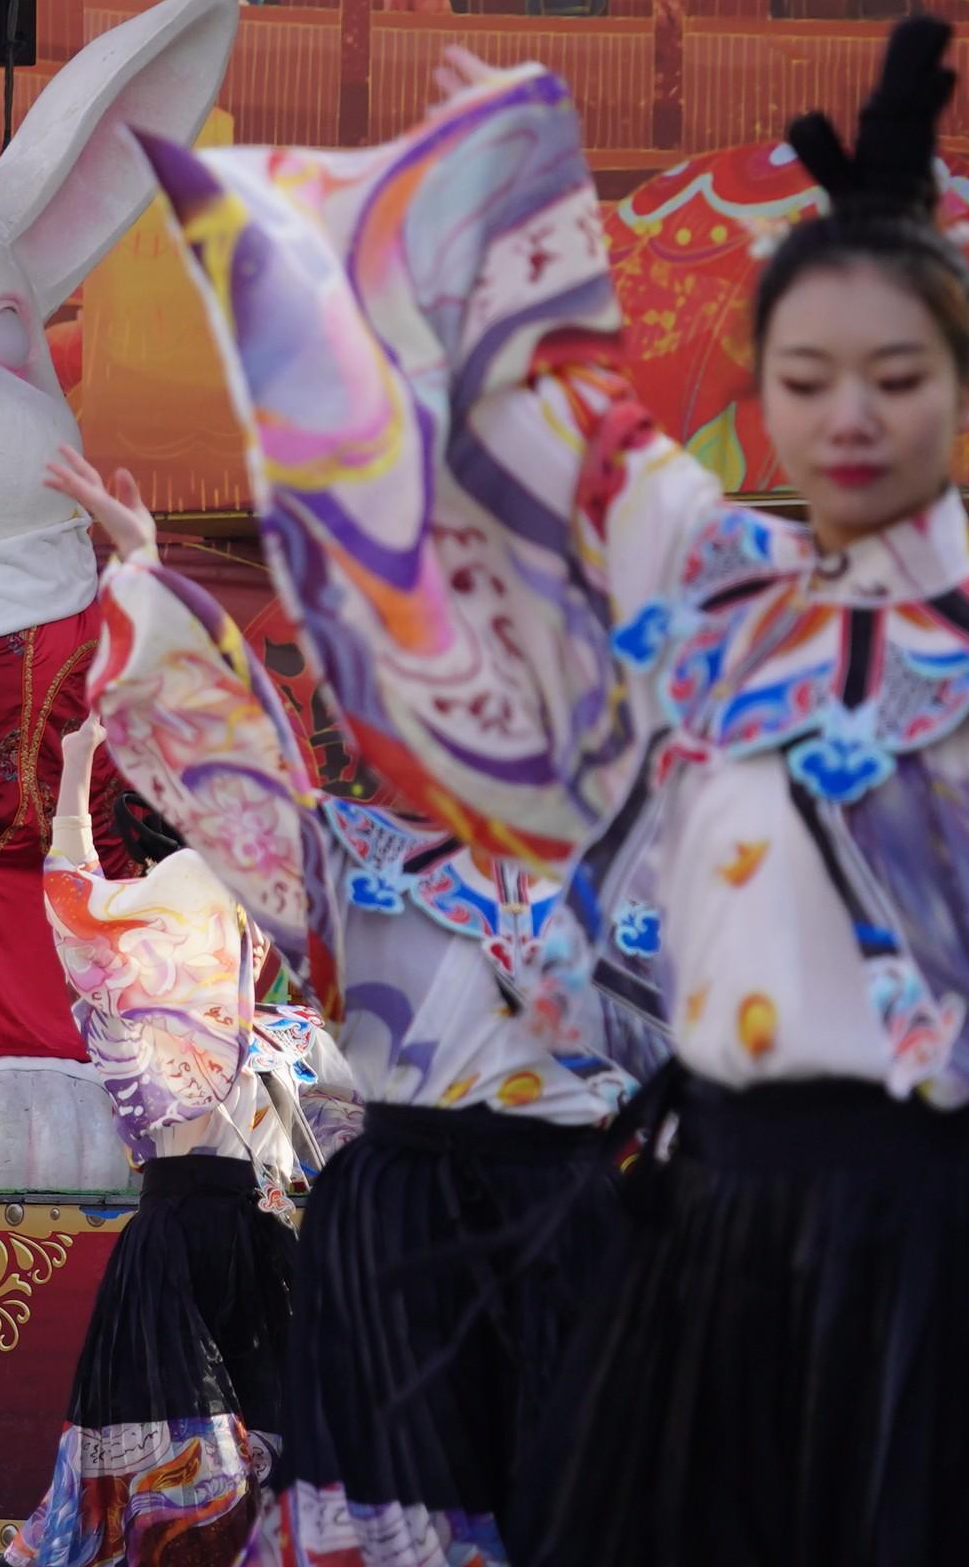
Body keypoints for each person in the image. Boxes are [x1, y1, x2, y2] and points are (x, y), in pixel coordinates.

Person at [134, 20, 969, 1561]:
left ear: (961, 400)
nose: (848, 415)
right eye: (809, 374)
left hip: (943, 1276)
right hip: (712, 1273)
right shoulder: (719, 607)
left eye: (893, 374)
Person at [46, 447, 638, 1567]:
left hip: (553, 1218)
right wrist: (142, 577)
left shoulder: (613, 856)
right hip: (408, 1229)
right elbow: (237, 761)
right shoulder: (354, 863)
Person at [2, 710, 341, 1567]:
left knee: (232, 1456)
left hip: (213, 1243)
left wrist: (78, 771)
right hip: (226, 1244)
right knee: (214, 1462)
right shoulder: (242, 1033)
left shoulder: (274, 1035)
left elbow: (78, 906)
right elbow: (85, 912)